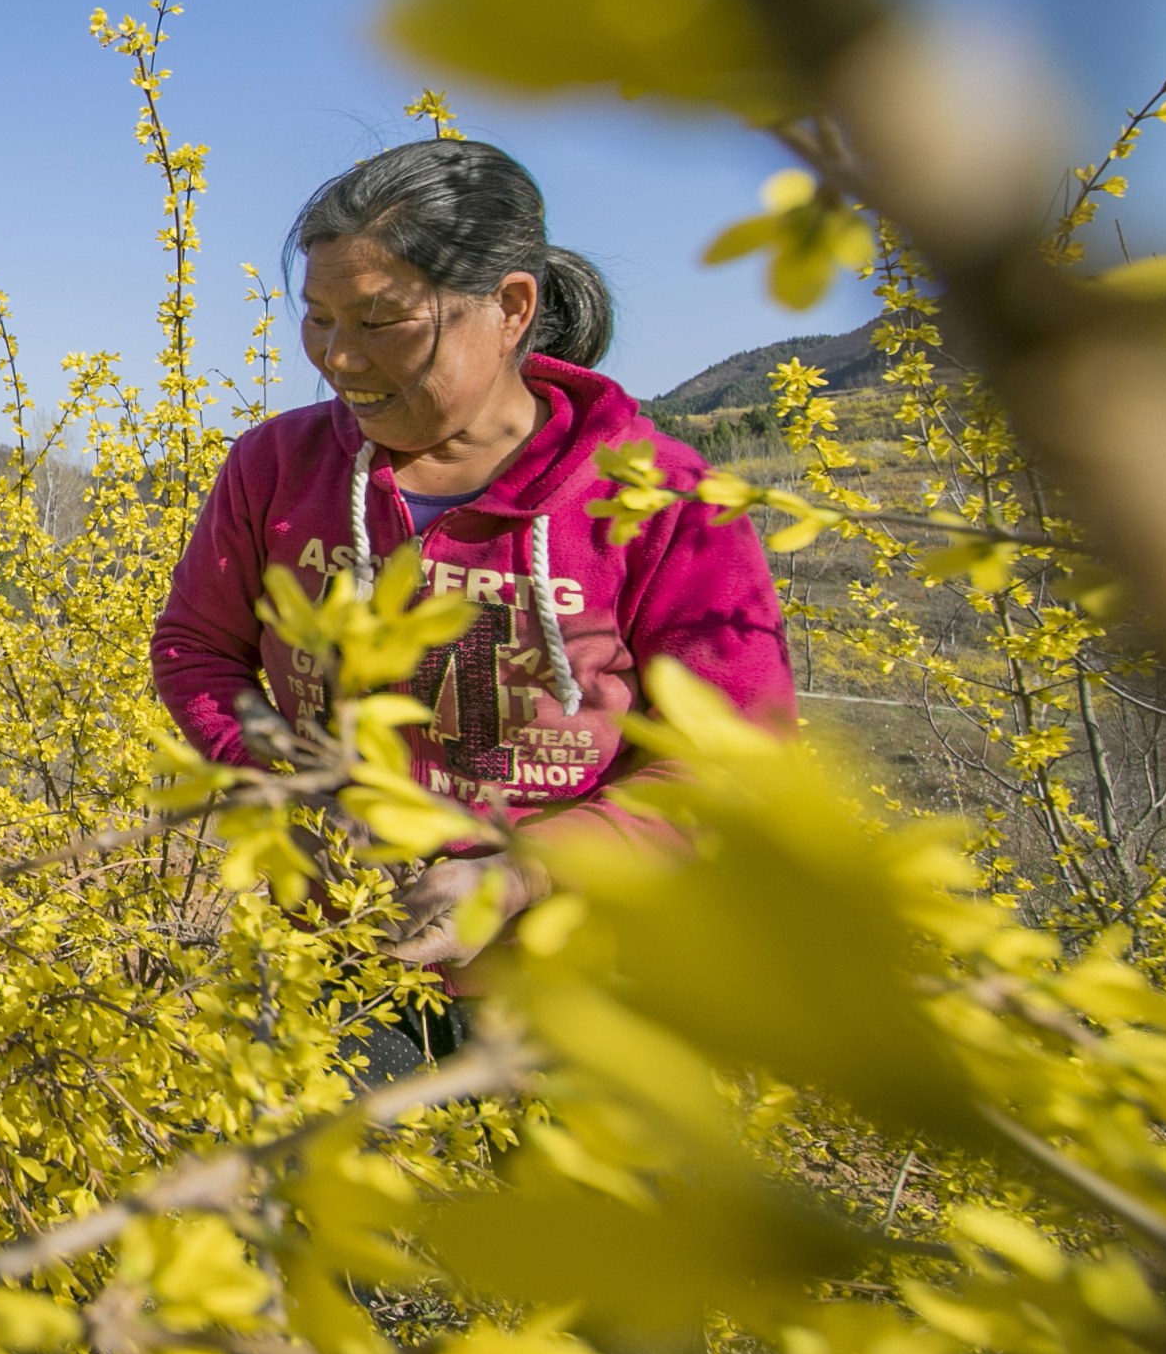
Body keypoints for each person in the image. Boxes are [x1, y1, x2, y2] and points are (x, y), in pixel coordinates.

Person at [150, 138, 793, 1036]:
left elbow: (730, 759)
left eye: (381, 322)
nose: (338, 358)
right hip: (335, 972)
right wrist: (276, 784)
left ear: (510, 308)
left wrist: (525, 869)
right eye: (318, 319)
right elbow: (196, 650)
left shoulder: (660, 498)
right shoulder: (277, 468)